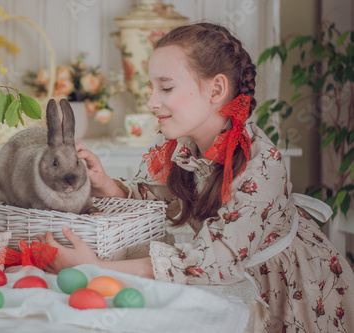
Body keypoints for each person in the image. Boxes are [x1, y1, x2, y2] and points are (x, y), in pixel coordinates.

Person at [36, 23, 354, 332]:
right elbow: (160, 198)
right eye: (152, 87)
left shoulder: (260, 162)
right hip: (234, 276)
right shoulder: (177, 143)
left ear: (216, 89)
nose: (151, 102)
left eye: (166, 87)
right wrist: (106, 183)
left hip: (292, 284)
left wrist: (94, 268)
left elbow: (216, 261)